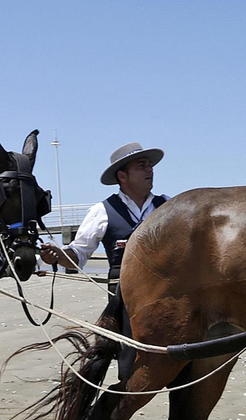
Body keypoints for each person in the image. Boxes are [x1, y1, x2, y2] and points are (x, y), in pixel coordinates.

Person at [39, 142, 167, 380]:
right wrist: (58, 255)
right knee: (130, 364)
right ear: (122, 175)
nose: (150, 170)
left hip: (166, 293)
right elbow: (78, 255)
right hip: (126, 298)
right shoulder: (102, 211)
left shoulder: (168, 206)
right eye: (142, 166)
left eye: (150, 165)